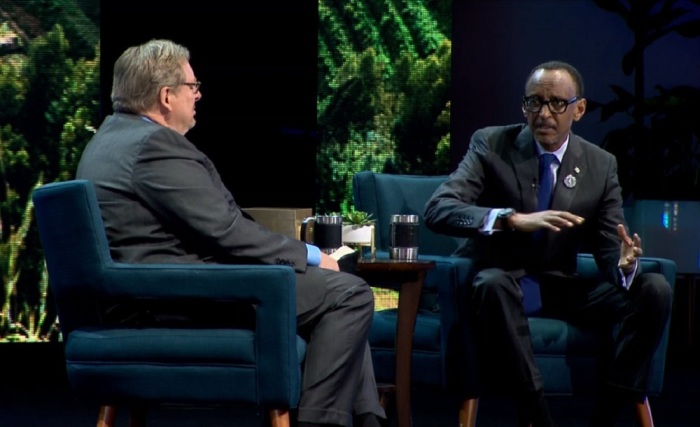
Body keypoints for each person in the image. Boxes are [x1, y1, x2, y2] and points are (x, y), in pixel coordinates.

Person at [76, 38, 386, 427]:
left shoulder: (107, 140)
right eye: (193, 86)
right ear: (167, 96)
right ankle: (322, 422)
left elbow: (214, 225)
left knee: (332, 288)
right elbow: (226, 232)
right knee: (350, 294)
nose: (199, 95)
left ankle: (368, 418)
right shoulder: (154, 146)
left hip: (152, 289)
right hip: (181, 296)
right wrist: (308, 254)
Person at [423, 60, 672, 427]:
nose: (544, 113)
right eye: (534, 102)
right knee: (491, 283)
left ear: (579, 109)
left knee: (656, 288)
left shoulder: (600, 165)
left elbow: (608, 247)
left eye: (557, 103)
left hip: (560, 284)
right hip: (501, 283)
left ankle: (609, 410)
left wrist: (624, 264)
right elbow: (438, 209)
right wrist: (510, 219)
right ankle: (536, 413)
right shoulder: (491, 144)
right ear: (522, 106)